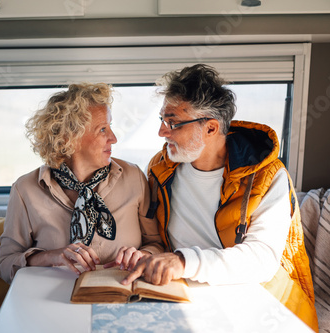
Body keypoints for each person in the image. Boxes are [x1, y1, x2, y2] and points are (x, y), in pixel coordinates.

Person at [122, 64, 318, 331]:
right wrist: (144, 252)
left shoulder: (267, 175)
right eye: (162, 121)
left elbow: (261, 259)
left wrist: (183, 261)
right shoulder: (160, 168)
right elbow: (155, 237)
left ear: (211, 128)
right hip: (185, 295)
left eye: (173, 123)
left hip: (258, 299)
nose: (162, 132)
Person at [0, 83, 163, 284]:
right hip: (54, 300)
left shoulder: (133, 177)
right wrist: (51, 256)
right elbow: (5, 265)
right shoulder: (25, 190)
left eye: (110, 127)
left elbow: (156, 244)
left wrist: (143, 255)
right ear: (70, 138)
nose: (114, 138)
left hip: (122, 291)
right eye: (103, 129)